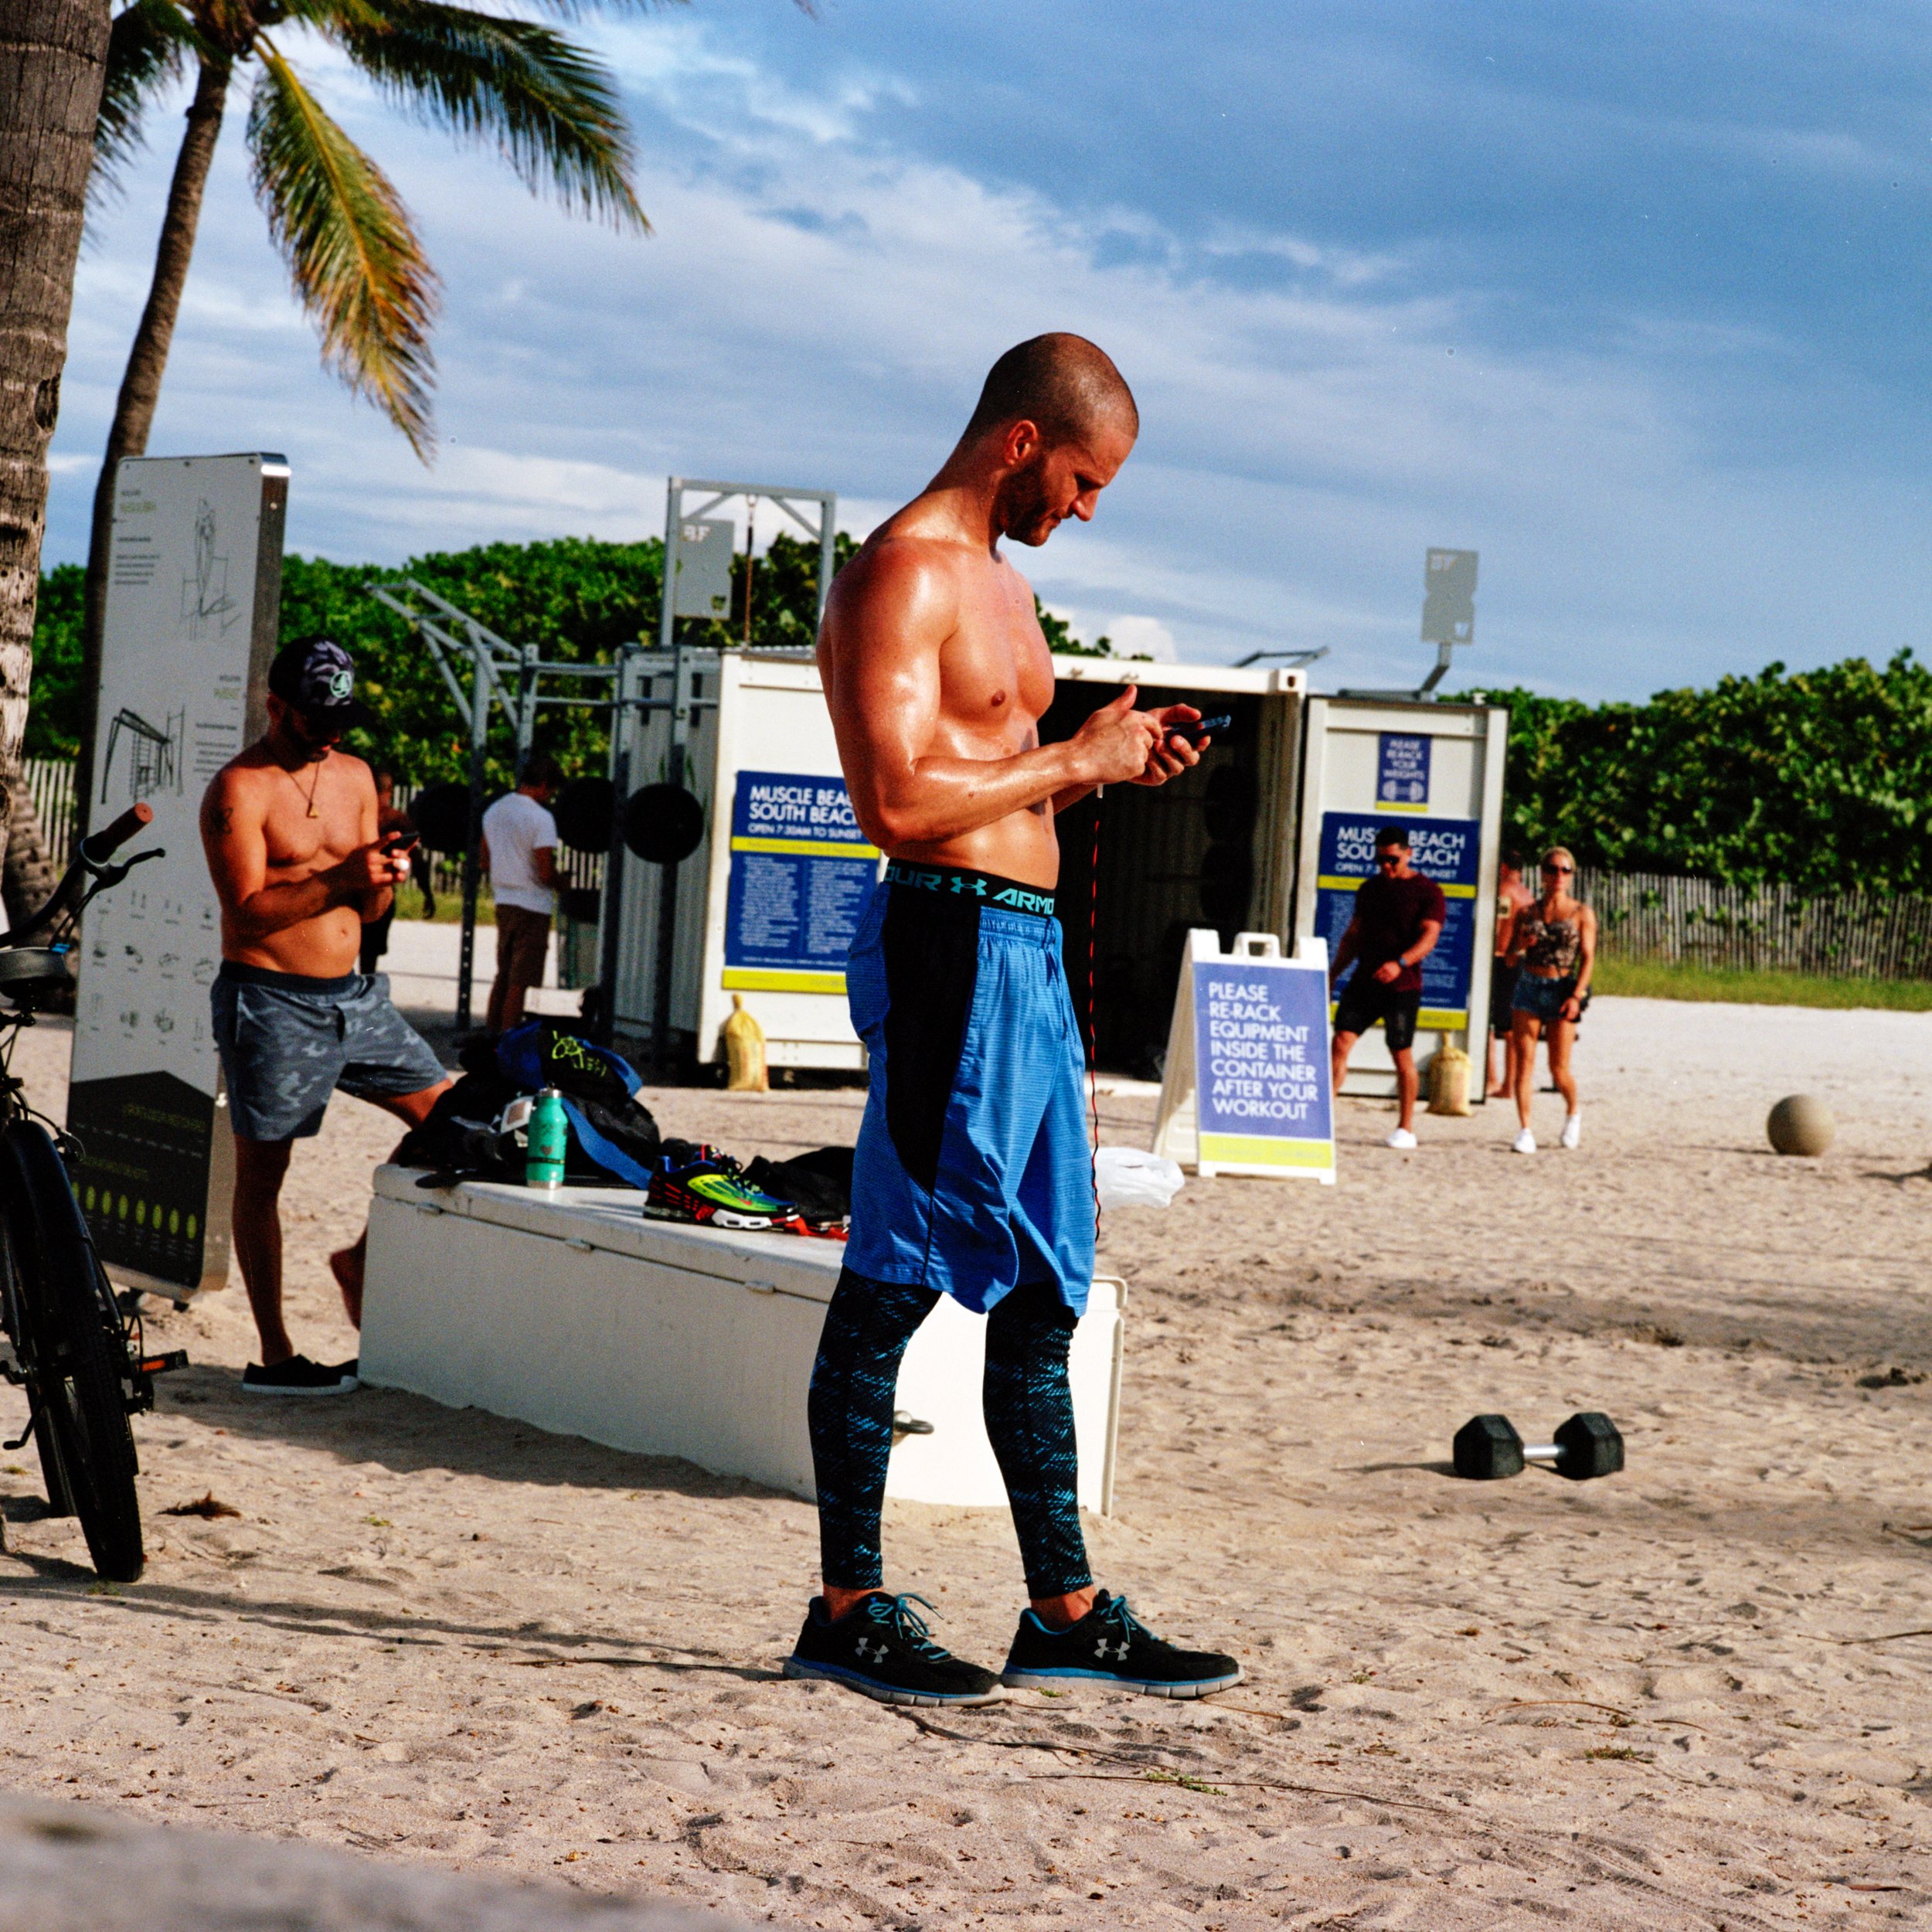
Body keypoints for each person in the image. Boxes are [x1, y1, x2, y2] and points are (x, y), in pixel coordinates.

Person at [794, 332, 1242, 1707]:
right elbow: (896, 807)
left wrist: (1103, 765)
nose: (1089, 509)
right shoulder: (900, 573)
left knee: (1048, 1281)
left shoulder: (1009, 589)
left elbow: (1004, 779)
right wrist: (1073, 756)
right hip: (946, 948)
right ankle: (848, 1606)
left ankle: (1063, 1609)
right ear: (1024, 443)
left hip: (1031, 958)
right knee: (899, 1269)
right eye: (1088, 480)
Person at [201, 639, 453, 1394]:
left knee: (451, 1120)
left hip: (356, 996)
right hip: (269, 1000)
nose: (330, 734)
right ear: (275, 705)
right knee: (264, 1169)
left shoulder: (356, 776)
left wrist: (383, 878)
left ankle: (360, 1262)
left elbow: (370, 907)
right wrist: (343, 874)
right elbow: (246, 916)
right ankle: (276, 1355)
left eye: (340, 718)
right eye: (315, 719)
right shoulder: (238, 791)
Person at [1328, 824, 1446, 1150]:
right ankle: (1323, 1115)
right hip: (1364, 980)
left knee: (1401, 1054)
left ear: (1408, 854)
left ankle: (1406, 1127)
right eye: (1380, 860)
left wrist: (1401, 963)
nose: (1386, 867)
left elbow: (1430, 937)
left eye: (1392, 860)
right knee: (1340, 1042)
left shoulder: (1428, 892)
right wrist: (1333, 973)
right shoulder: (1369, 889)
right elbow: (1353, 936)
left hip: (1402, 986)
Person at [1503, 845, 1597, 1153]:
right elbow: (1509, 958)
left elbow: (1588, 958)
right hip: (1530, 983)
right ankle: (1525, 1129)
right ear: (1542, 874)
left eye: (1565, 870)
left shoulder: (1581, 913)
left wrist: (1577, 995)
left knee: (1558, 1069)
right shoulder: (1527, 912)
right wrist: (1521, 943)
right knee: (1524, 1063)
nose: (1559, 875)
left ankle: (1573, 1112)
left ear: (1572, 875)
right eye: (1553, 869)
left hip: (1561, 987)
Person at [480, 752, 561, 1036]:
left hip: (504, 900)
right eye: (550, 790)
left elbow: (484, 860)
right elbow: (545, 872)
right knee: (520, 979)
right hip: (533, 904)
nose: (549, 796)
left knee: (503, 974)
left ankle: (492, 1033)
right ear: (543, 785)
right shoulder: (541, 818)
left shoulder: (494, 811)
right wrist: (564, 884)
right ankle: (508, 1040)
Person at [356, 768, 414, 976]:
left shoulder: (353, 815)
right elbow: (417, 856)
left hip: (351, 888)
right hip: (381, 890)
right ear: (389, 790)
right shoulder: (396, 819)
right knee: (370, 955)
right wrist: (427, 892)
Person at [1487, 846, 1533, 1098]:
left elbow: (1496, 925)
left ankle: (1494, 1080)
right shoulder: (1528, 896)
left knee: (1492, 1025)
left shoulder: (1504, 892)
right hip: (1519, 961)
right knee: (1511, 1025)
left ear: (1503, 867)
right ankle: (1509, 1084)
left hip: (1500, 959)